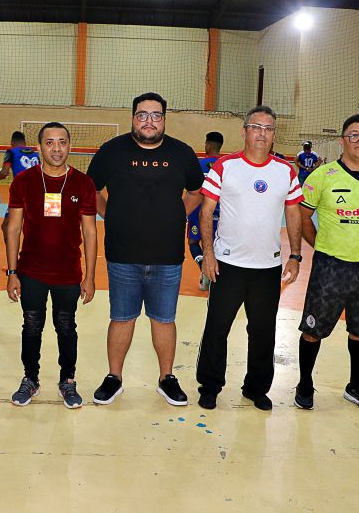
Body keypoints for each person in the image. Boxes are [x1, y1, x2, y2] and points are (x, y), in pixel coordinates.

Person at [86, 92, 204, 406]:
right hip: (122, 255)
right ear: (133, 118)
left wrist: (177, 213)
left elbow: (196, 191)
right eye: (142, 115)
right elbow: (91, 190)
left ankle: (167, 378)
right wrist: (110, 214)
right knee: (121, 317)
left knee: (164, 319)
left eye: (155, 115)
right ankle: (114, 377)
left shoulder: (181, 153)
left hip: (167, 256)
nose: (149, 121)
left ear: (164, 119)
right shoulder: (112, 151)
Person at [195, 106, 303, 411]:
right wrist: (208, 254)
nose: (262, 134)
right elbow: (206, 212)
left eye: (268, 129)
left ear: (274, 134)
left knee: (263, 331)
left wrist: (295, 256)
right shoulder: (225, 166)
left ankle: (256, 388)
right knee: (217, 327)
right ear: (244, 131)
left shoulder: (285, 171)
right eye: (256, 127)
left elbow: (293, 213)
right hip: (228, 264)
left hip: (267, 268)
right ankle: (210, 386)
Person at [295, 114, 359, 413]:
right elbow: (303, 217)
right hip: (330, 266)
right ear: (343, 140)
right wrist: (322, 246)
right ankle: (304, 383)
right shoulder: (323, 176)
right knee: (313, 329)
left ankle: (356, 385)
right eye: (354, 135)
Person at [5, 122, 97, 409]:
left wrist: (90, 276)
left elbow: (90, 231)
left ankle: (67, 380)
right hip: (31, 270)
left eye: (62, 142)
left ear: (69, 146)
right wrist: (12, 272)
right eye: (49, 142)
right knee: (32, 325)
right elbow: (13, 229)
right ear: (39, 147)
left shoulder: (82, 183)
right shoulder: (23, 182)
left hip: (68, 272)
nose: (56, 149)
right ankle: (30, 378)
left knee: (66, 326)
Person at [186, 131, 223, 291]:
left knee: (193, 242)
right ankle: (215, 276)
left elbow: (190, 190)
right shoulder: (225, 165)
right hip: (220, 212)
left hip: (198, 211)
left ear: (207, 145)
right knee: (216, 244)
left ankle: (203, 265)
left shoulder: (197, 164)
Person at [0, 130, 39, 248]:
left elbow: (4, 173)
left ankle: (13, 258)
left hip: (21, 194)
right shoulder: (35, 154)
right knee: (33, 227)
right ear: (24, 142)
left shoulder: (11, 152)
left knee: (7, 226)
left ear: (12, 143)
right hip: (37, 193)